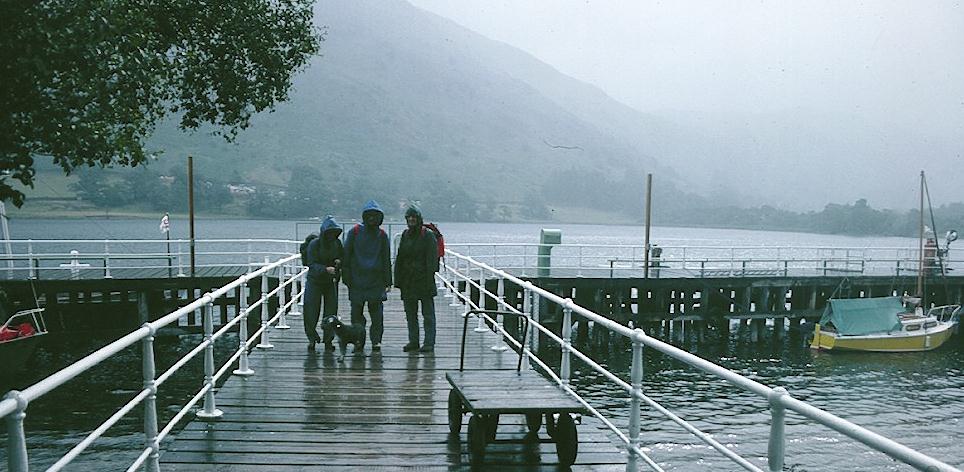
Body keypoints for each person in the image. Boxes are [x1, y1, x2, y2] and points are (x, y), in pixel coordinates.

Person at [342, 200, 392, 351]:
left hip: (375, 281)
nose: (372, 218)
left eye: (375, 216)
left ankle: (376, 341)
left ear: (379, 218)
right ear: (364, 216)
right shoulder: (354, 232)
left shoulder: (382, 235)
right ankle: (358, 340)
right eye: (369, 215)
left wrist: (388, 281)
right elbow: (346, 256)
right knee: (357, 314)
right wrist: (347, 278)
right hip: (356, 281)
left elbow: (386, 259)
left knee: (376, 315)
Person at [394, 205, 439, 353]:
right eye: (409, 217)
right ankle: (413, 341)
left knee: (428, 315)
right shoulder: (405, 235)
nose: (411, 219)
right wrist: (397, 280)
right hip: (408, 281)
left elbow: (432, 261)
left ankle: (429, 343)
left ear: (419, 219)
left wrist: (428, 280)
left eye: (414, 217)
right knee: (410, 315)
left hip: (424, 280)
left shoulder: (428, 235)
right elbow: (399, 258)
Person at [303, 216, 343, 352]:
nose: (332, 235)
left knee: (331, 312)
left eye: (334, 232)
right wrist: (325, 269)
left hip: (331, 282)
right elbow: (311, 264)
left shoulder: (337, 243)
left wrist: (339, 262)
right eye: (329, 232)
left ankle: (328, 340)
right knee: (311, 311)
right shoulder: (314, 244)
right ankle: (312, 339)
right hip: (315, 281)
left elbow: (343, 257)